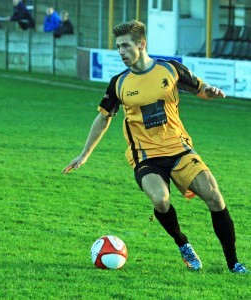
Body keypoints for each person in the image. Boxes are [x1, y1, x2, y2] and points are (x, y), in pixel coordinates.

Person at [62, 20, 249, 274]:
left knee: (215, 197)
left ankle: (233, 263)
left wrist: (210, 91)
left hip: (179, 149)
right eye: (118, 47)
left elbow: (200, 88)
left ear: (142, 44)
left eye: (126, 46)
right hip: (145, 156)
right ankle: (183, 244)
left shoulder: (170, 70)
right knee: (161, 200)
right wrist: (84, 154)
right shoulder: (119, 83)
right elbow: (104, 117)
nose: (121, 52)